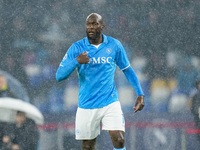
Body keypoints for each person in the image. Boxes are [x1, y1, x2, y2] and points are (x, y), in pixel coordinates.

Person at [56, 13, 145, 150]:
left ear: (102, 26)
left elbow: (127, 69)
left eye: (95, 24)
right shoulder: (77, 48)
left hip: (110, 102)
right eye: (88, 24)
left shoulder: (114, 45)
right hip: (87, 104)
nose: (91, 27)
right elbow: (59, 76)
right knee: (88, 146)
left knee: (119, 140)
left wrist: (140, 93)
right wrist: (76, 61)